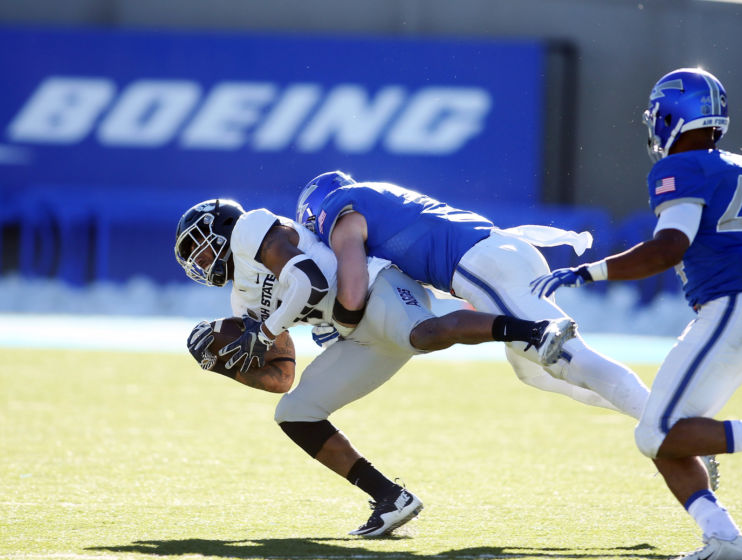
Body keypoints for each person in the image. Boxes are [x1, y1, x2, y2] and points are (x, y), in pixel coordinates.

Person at [531, 67, 742, 560]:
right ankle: (724, 539)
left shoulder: (682, 169)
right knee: (661, 435)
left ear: (672, 114)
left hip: (730, 311)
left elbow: (669, 248)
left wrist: (589, 273)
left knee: (657, 432)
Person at [174, 198, 573, 537]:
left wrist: (263, 332)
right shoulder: (241, 304)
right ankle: (390, 497)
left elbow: (308, 281)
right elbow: (282, 376)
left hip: (372, 285)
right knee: (295, 413)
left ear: (221, 225)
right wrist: (229, 367)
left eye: (198, 245)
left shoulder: (249, 229)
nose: (199, 259)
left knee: (420, 333)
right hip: (356, 333)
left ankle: (536, 330)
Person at [294, 174, 652, 425]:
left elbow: (353, 290)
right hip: (505, 252)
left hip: (482, 264)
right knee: (533, 371)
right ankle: (647, 416)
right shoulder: (377, 199)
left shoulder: (339, 210)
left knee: (568, 360)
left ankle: (665, 424)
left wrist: (340, 325)